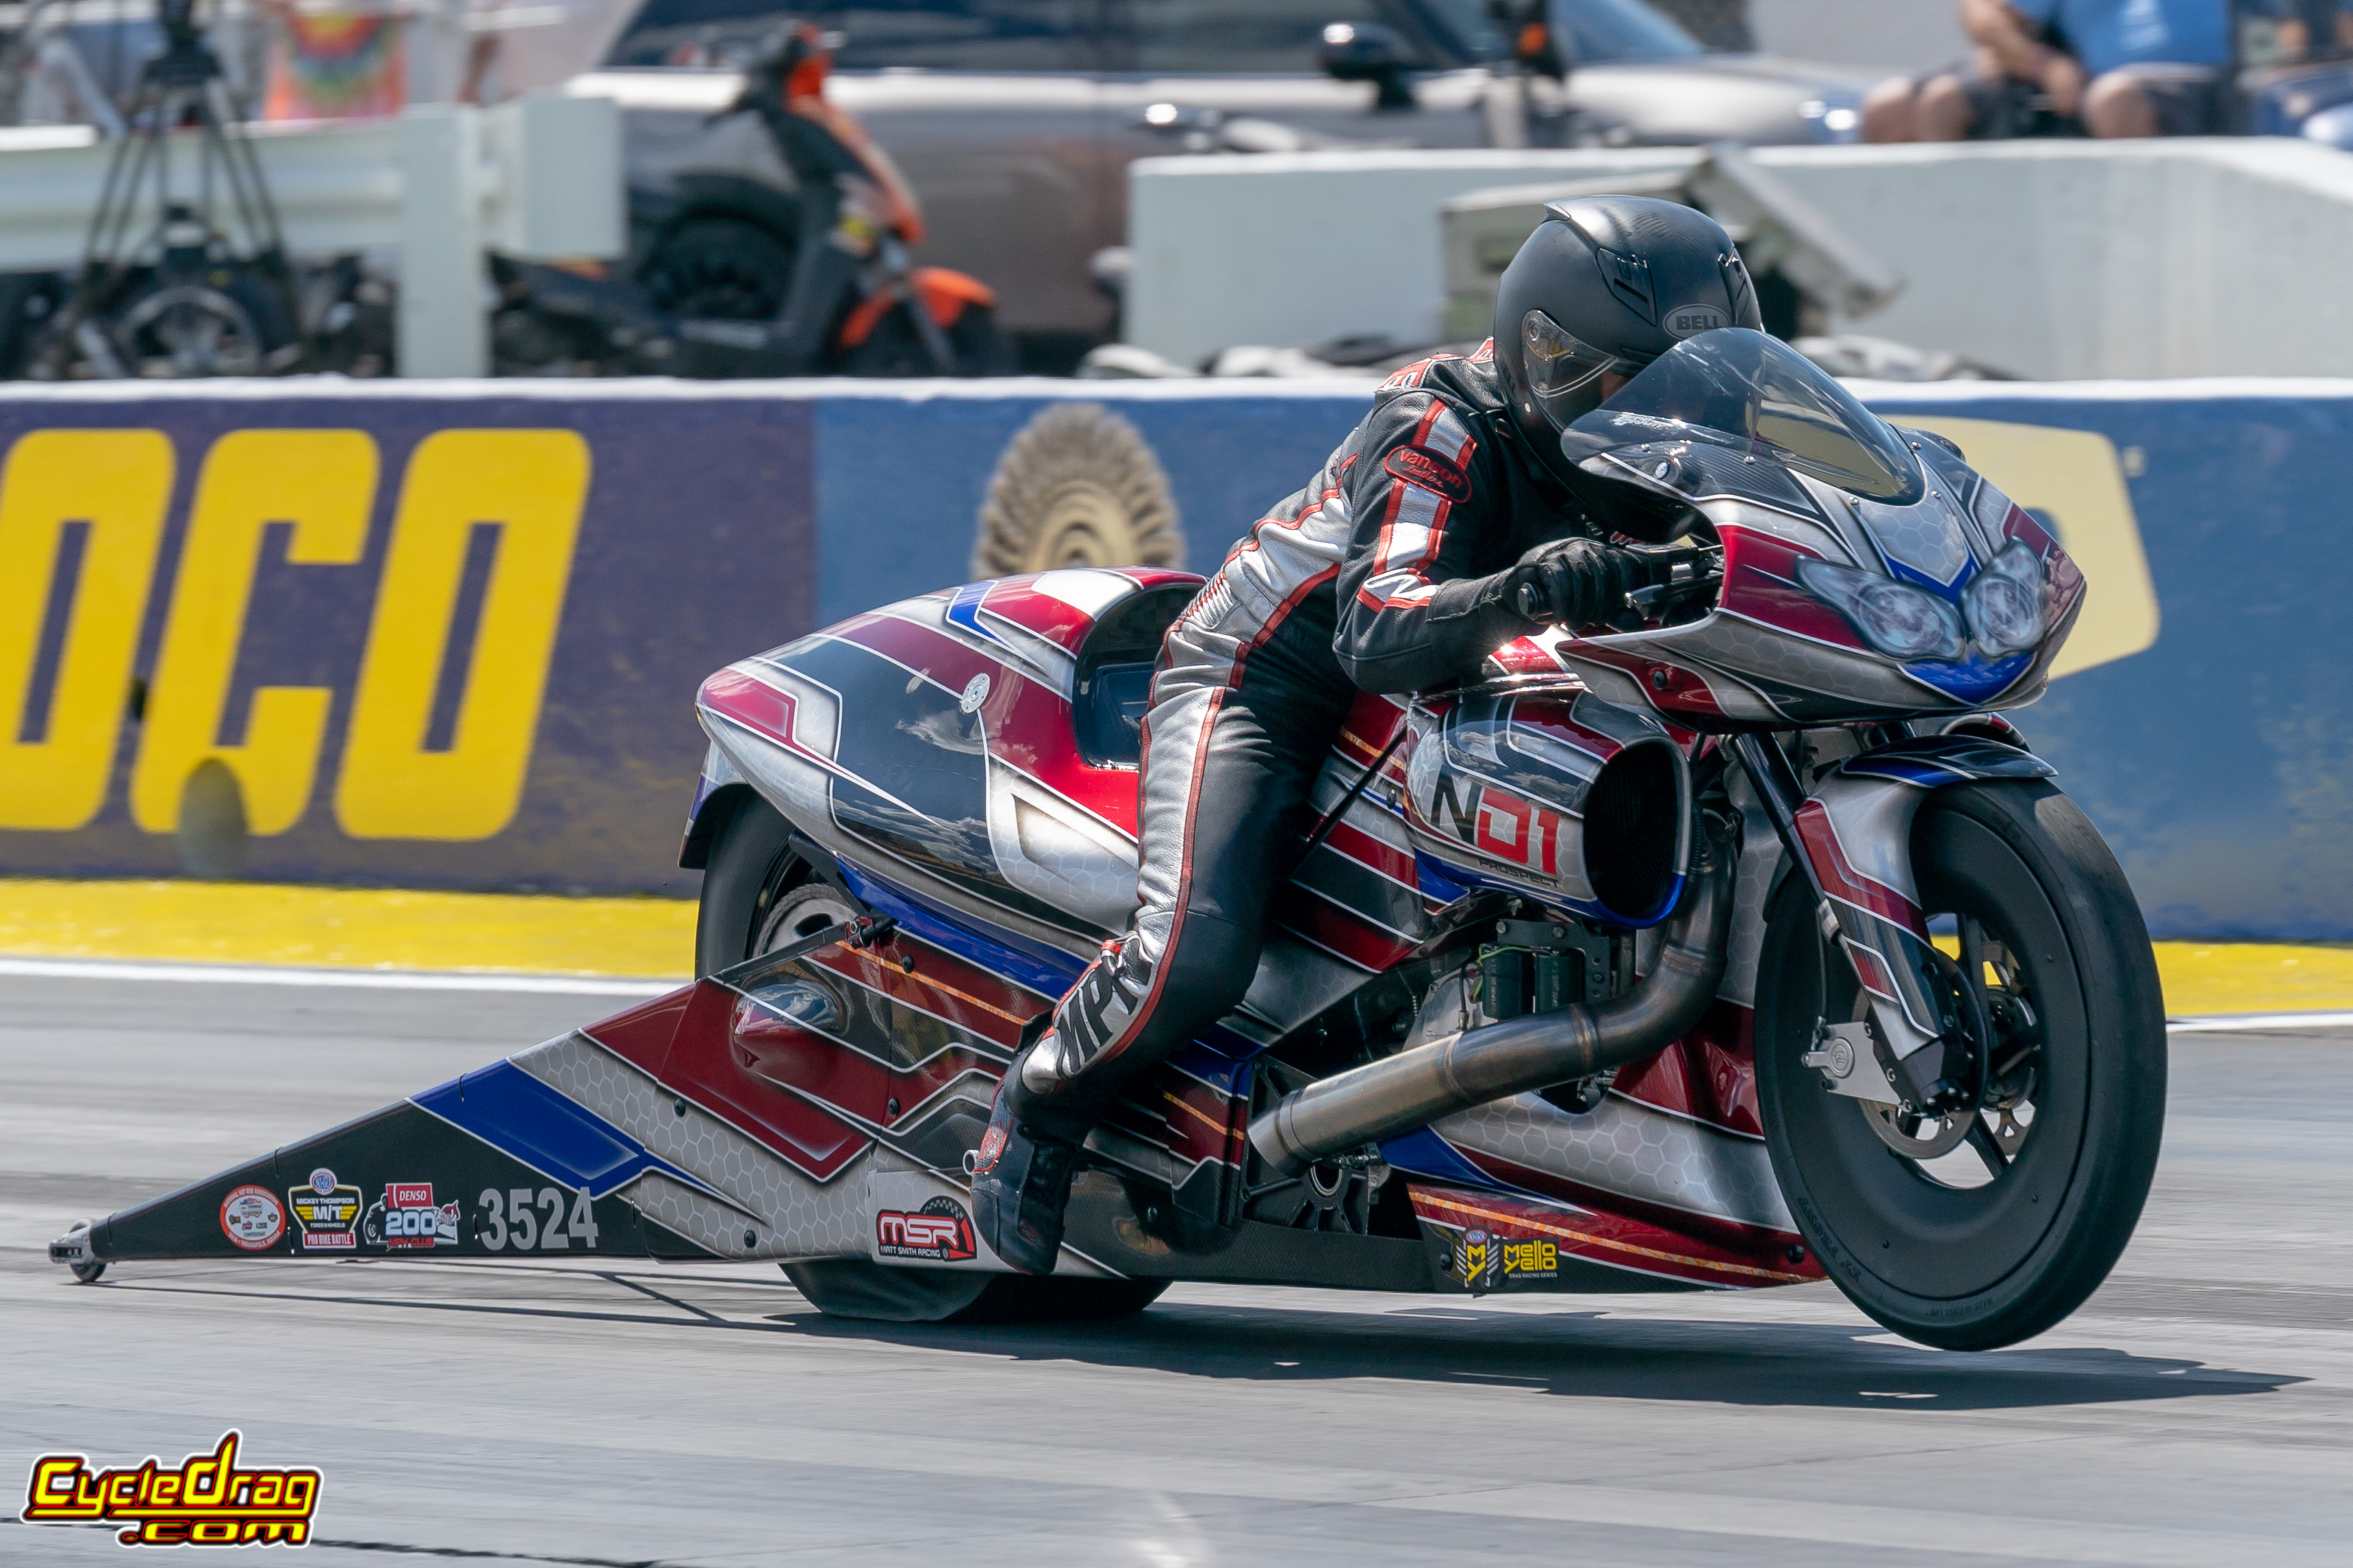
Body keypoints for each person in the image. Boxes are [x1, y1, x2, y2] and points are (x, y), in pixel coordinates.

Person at [969, 198, 1764, 1273]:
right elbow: (1377, 622)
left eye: (1680, 383)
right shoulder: (1440, 419)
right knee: (1196, 948)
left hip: (1471, 663)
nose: (1650, 412)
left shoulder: (1678, 428)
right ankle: (1036, 1108)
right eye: (1622, 383)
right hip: (1269, 673)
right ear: (1544, 355)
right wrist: (1528, 584)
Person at [1861, 0, 2256, 142]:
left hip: (2214, 88)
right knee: (1911, 108)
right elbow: (1982, 10)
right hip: (2085, 94)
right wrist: (2041, 63)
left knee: (2116, 101)